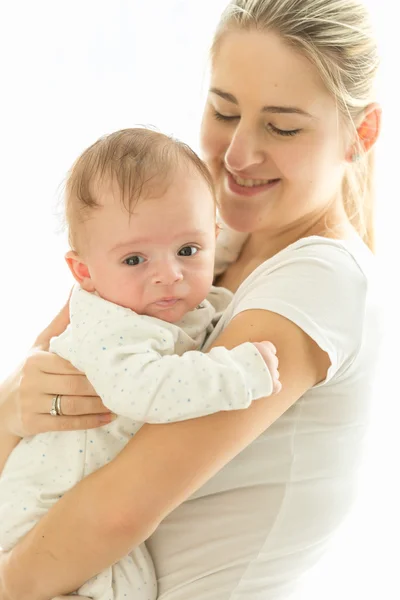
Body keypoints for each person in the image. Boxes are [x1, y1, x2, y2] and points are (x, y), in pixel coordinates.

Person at [0, 0, 383, 598]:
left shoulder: (320, 280)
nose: (236, 156)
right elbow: (30, 386)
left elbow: (117, 510)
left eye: (281, 127)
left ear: (361, 135)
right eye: (224, 111)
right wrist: (10, 408)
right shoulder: (197, 245)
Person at [0, 127, 280, 600]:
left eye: (188, 251)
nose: (168, 275)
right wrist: (238, 373)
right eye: (134, 259)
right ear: (83, 272)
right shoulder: (110, 326)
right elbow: (145, 390)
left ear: (213, 239)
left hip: (77, 509)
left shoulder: (163, 301)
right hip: (45, 513)